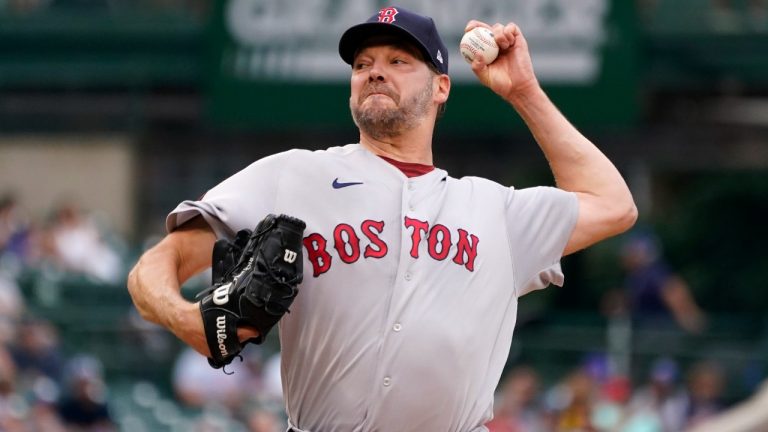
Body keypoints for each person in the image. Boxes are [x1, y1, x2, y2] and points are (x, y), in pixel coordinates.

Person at [127, 6, 637, 431]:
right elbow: (157, 263)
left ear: (441, 87)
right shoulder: (293, 175)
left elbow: (614, 205)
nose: (375, 70)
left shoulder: (494, 210)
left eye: (398, 60)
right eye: (363, 62)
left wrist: (523, 91)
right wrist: (183, 317)